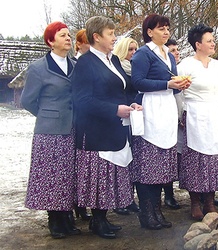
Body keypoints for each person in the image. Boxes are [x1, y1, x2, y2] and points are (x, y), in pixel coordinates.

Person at [72, 16, 142, 239]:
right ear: (96, 37)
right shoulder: (85, 63)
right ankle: (97, 220)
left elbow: (123, 90)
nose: (114, 38)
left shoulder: (115, 61)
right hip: (96, 130)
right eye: (110, 34)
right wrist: (114, 109)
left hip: (116, 127)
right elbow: (82, 101)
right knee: (99, 177)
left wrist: (130, 103)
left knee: (110, 175)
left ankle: (102, 217)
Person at [130, 14, 190, 230]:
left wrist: (180, 84)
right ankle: (146, 214)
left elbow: (170, 81)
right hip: (150, 109)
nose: (166, 32)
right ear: (149, 32)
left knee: (162, 168)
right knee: (148, 167)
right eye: (161, 28)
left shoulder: (169, 55)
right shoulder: (143, 54)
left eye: (167, 28)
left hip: (166, 109)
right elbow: (137, 82)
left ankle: (157, 211)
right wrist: (168, 85)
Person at [21, 21, 81, 239]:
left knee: (68, 174)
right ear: (50, 41)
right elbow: (28, 101)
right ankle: (54, 219)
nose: (68, 39)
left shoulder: (74, 64)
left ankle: (66, 217)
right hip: (49, 132)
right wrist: (48, 114)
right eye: (63, 35)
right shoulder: (38, 68)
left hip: (73, 128)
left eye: (69, 35)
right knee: (51, 176)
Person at [177, 23, 218, 220]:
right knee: (196, 160)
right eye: (209, 41)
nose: (213, 44)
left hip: (216, 115)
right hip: (195, 115)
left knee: (214, 159)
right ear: (198, 44)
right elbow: (178, 94)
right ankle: (194, 201)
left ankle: (209, 200)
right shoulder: (185, 65)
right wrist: (181, 114)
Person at [112, 37, 141, 215]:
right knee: (120, 160)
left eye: (135, 49)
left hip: (134, 117)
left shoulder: (137, 70)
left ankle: (129, 197)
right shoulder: (118, 68)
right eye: (130, 49)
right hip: (120, 118)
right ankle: (118, 199)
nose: (133, 53)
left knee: (132, 158)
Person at [71, 28, 92, 221]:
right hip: (74, 119)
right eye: (87, 42)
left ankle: (83, 203)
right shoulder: (76, 63)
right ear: (79, 44)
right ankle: (75, 204)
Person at [162, 38, 182, 210]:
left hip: (181, 117)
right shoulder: (165, 72)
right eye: (172, 50)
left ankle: (172, 192)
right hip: (167, 116)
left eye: (177, 50)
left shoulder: (181, 69)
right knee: (170, 154)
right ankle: (168, 194)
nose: (176, 53)